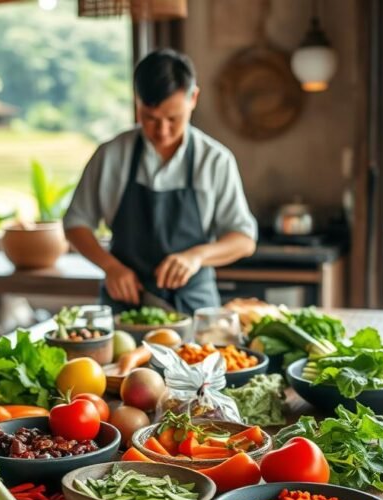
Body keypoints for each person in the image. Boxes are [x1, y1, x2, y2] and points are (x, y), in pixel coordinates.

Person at [64, 48, 258, 314]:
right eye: (150, 118)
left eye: (173, 119)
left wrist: (196, 256)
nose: (162, 131)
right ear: (137, 103)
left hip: (194, 308)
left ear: (194, 98)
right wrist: (110, 267)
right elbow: (76, 224)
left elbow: (244, 239)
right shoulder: (110, 155)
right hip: (125, 307)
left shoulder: (215, 160)